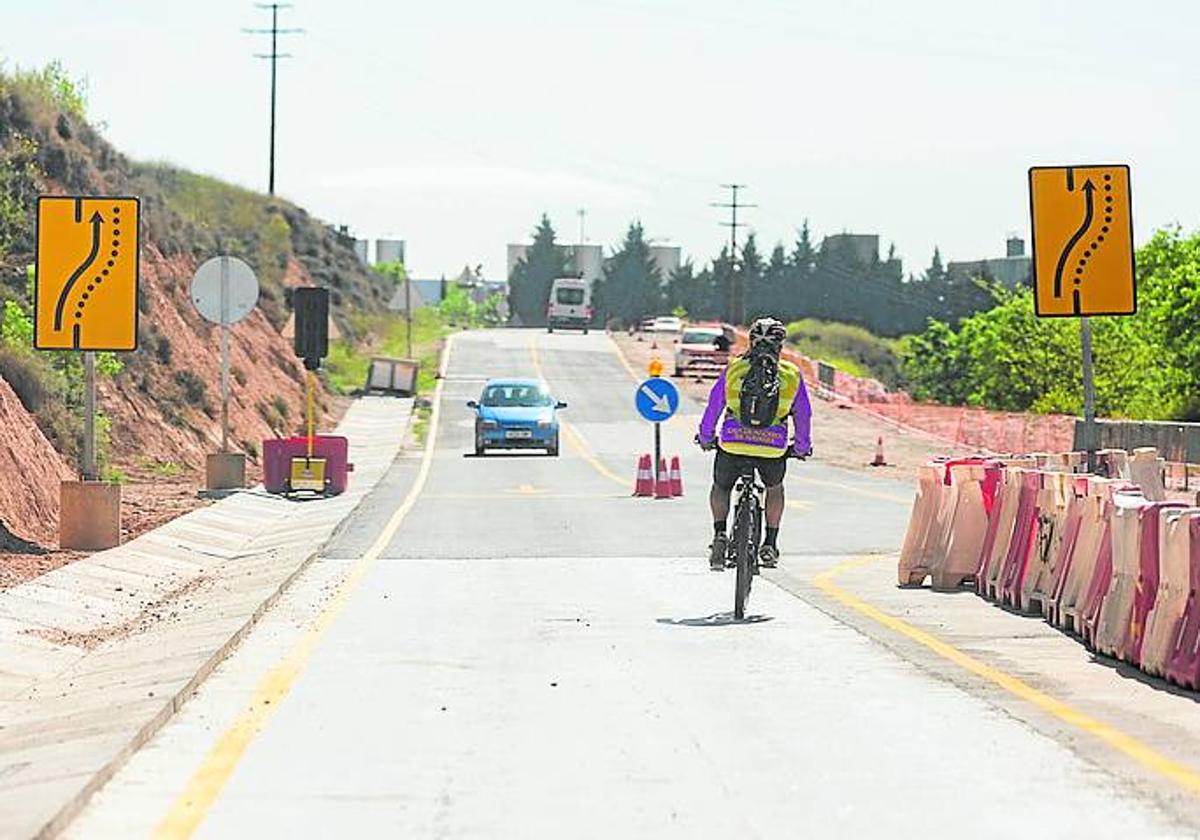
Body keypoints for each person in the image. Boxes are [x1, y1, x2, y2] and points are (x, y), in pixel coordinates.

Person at [696, 316, 812, 571]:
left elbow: (714, 406)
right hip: (773, 447)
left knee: (721, 486)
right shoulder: (791, 375)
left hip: (732, 444)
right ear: (780, 346)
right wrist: (801, 447)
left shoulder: (734, 369)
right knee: (774, 488)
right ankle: (770, 543)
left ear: (750, 343)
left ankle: (719, 535)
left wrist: (706, 437)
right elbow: (803, 415)